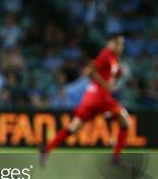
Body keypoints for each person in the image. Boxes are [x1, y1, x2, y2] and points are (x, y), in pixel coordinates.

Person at [41, 33, 129, 165]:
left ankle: (47, 148)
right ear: (111, 43)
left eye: (122, 44)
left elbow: (109, 74)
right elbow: (89, 71)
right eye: (118, 43)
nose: (121, 46)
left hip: (91, 98)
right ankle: (115, 157)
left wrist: (117, 76)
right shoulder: (105, 54)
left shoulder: (114, 59)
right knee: (125, 121)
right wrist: (106, 85)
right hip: (100, 98)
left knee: (73, 127)